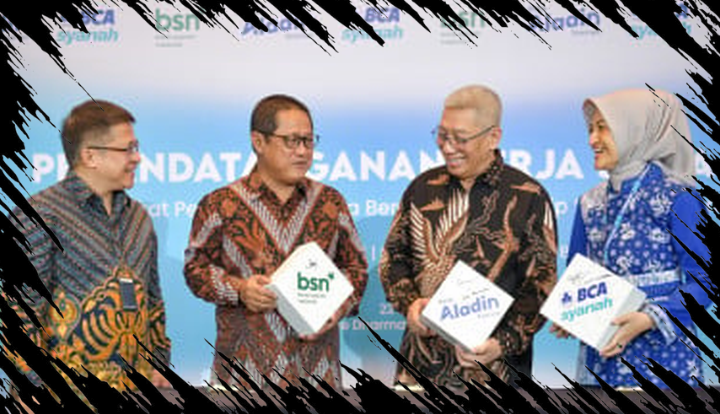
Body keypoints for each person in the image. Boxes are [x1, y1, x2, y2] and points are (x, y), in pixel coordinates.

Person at [184, 94, 368, 390]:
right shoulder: (220, 204)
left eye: (308, 141)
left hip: (317, 374)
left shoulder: (330, 203)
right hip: (244, 377)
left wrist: (336, 308)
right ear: (259, 141)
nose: (303, 151)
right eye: (292, 141)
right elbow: (195, 269)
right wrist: (240, 290)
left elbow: (356, 269)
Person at [379, 85, 558, 389]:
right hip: (422, 370)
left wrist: (501, 343)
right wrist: (410, 305)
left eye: (460, 138)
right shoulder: (422, 189)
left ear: (493, 137)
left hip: (498, 374)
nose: (448, 147)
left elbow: (541, 285)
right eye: (442, 135)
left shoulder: (529, 197)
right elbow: (393, 260)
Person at [551, 89, 711, 389]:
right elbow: (577, 275)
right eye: (590, 129)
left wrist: (650, 318)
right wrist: (570, 312)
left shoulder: (678, 197)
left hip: (664, 363)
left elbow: (706, 280)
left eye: (603, 128)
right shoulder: (589, 202)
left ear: (635, 131)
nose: (592, 140)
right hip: (602, 360)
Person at [9, 100, 172, 393]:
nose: (137, 158)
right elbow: (20, 313)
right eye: (128, 149)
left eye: (136, 147)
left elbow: (153, 303)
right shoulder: (39, 216)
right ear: (90, 156)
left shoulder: (139, 219)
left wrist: (159, 366)